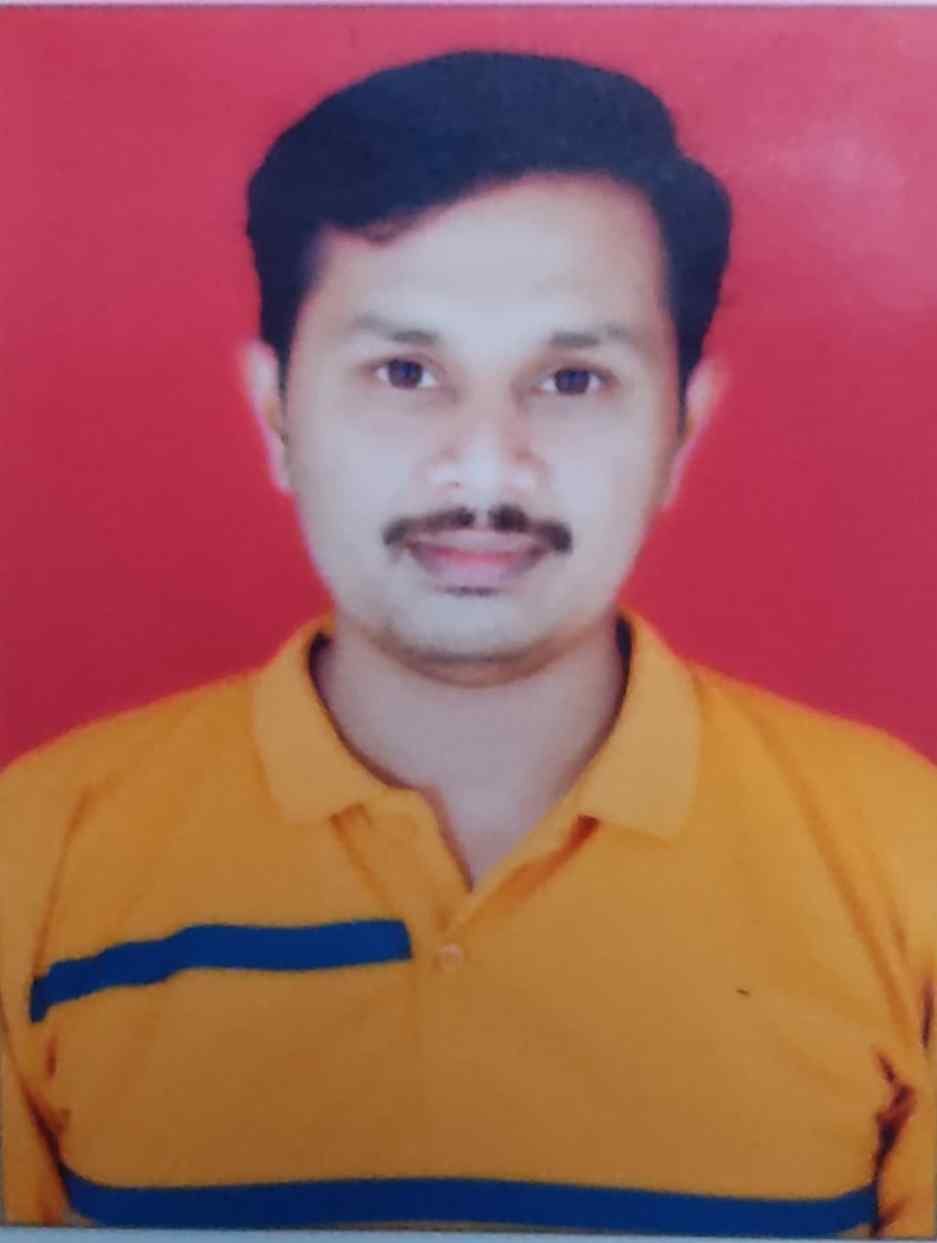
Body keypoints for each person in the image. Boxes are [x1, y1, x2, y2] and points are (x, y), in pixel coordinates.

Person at [1, 49, 935, 1237]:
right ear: (276, 413)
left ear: (681, 432)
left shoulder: (906, 858)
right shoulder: (34, 855)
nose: (486, 467)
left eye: (573, 379)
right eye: (405, 371)